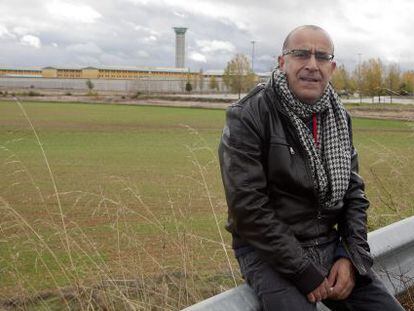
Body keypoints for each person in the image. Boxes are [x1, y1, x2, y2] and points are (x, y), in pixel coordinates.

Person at [218, 25, 405, 311]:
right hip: (268, 253)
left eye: (321, 57)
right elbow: (248, 208)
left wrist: (350, 257)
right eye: (301, 54)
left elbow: (354, 194)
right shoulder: (249, 115)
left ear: (332, 67)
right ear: (283, 62)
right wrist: (303, 270)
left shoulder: (339, 117)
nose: (311, 65)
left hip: (329, 245)